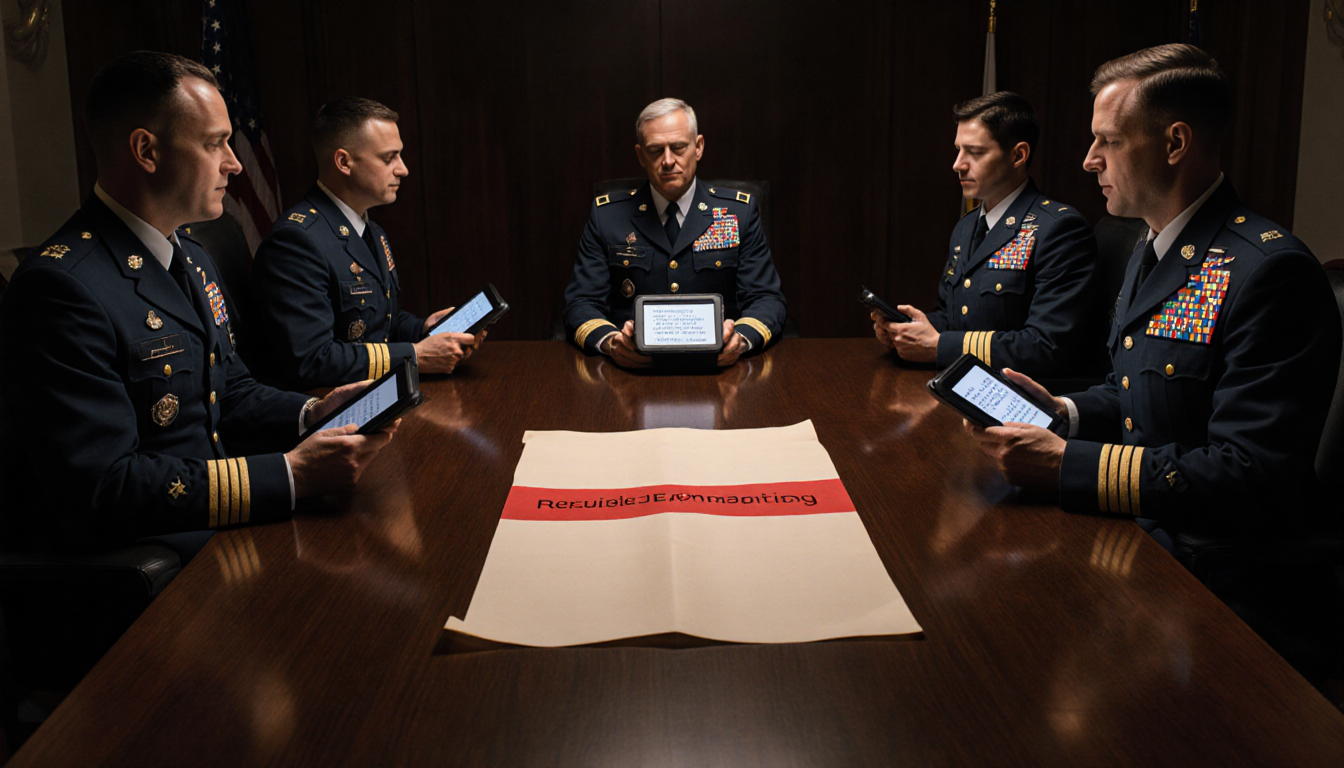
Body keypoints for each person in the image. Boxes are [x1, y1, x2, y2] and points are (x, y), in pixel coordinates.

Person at [965, 45, 1341, 679]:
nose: (1088, 161)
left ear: (1174, 143)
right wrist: (1064, 412)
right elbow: (1135, 391)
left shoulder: (1267, 270)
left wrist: (1068, 464)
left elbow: (1250, 474)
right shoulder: (1149, 246)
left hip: (1216, 579)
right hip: (1143, 534)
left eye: (1107, 141)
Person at [0, 52, 396, 554]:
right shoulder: (61, 287)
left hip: (214, 518)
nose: (233, 162)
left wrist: (313, 412)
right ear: (147, 150)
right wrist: (290, 475)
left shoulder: (189, 253)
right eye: (215, 144)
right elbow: (105, 485)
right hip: (154, 551)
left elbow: (227, 391)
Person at [251, 98, 482, 390]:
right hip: (328, 413)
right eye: (389, 158)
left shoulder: (371, 230)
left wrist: (424, 329)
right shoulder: (296, 241)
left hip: (373, 393)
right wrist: (415, 355)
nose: (403, 169)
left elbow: (376, 324)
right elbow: (310, 360)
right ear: (344, 162)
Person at [873, 92, 1097, 378]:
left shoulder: (1058, 229)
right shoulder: (966, 228)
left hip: (1020, 402)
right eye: (958, 150)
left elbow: (1048, 346)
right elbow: (954, 318)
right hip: (961, 386)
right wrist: (906, 330)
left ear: (1018, 155)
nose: (958, 164)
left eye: (975, 152)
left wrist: (939, 346)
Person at [563, 98, 786, 368]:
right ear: (640, 155)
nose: (668, 161)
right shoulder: (607, 216)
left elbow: (766, 298)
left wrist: (739, 339)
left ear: (698, 147)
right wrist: (612, 343)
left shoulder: (739, 213)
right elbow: (581, 302)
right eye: (655, 150)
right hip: (630, 370)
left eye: (678, 147)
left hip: (722, 370)